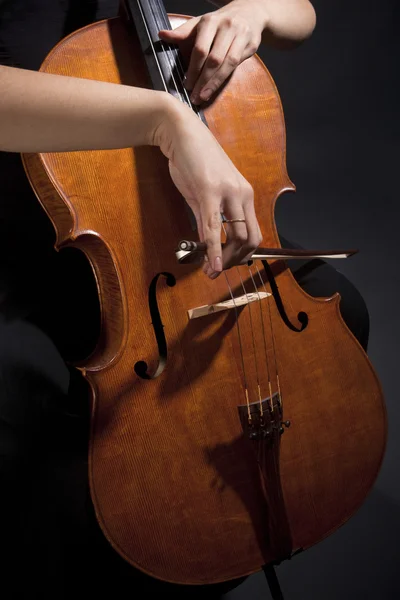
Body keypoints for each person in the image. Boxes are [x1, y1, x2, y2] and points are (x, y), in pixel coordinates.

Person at [0, 1, 368, 598]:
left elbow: (299, 14)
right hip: (31, 243)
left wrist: (254, 12)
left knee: (344, 312)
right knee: (30, 441)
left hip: (167, 228)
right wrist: (164, 119)